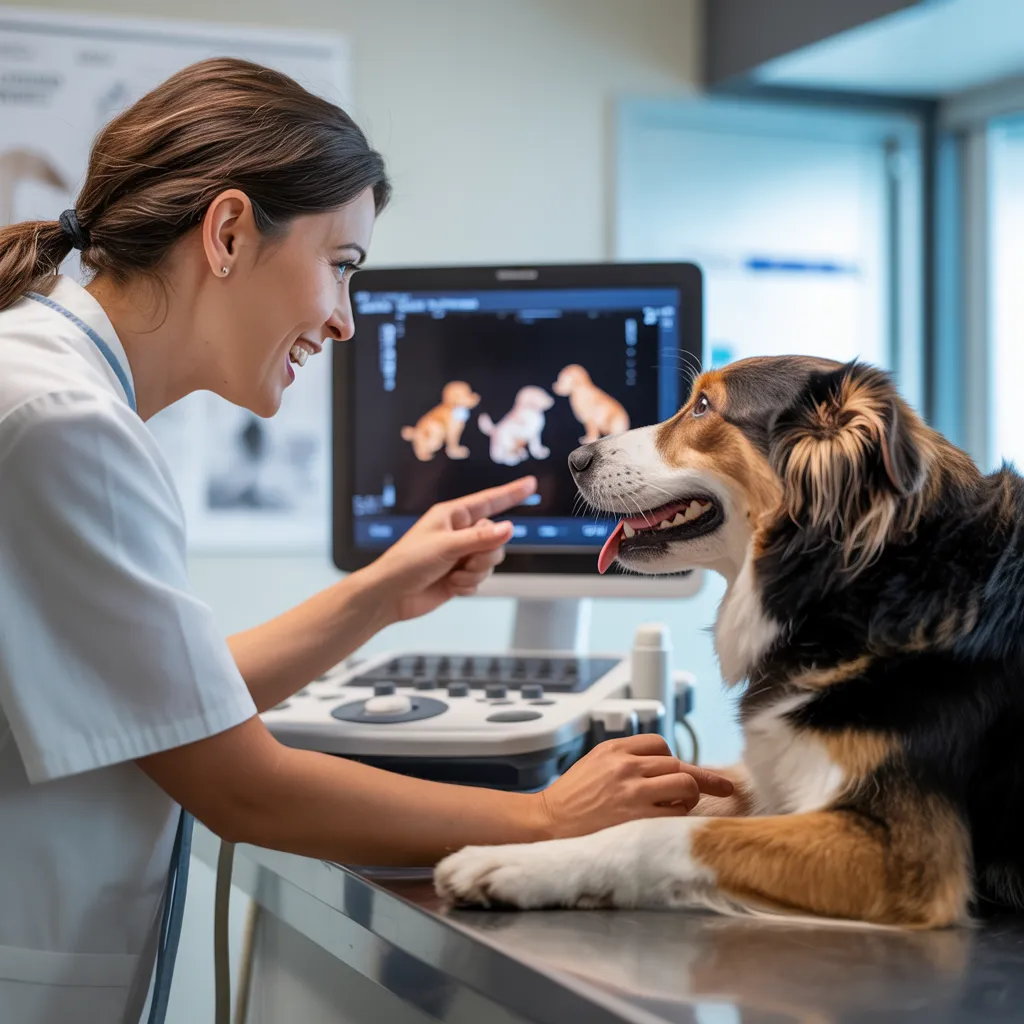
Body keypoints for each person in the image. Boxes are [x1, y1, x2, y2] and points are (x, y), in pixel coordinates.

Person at [0, 58, 731, 1024]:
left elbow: (166, 706)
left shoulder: (47, 386)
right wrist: (544, 819)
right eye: (341, 267)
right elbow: (240, 786)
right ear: (227, 232)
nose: (345, 321)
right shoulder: (62, 422)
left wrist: (381, 592)